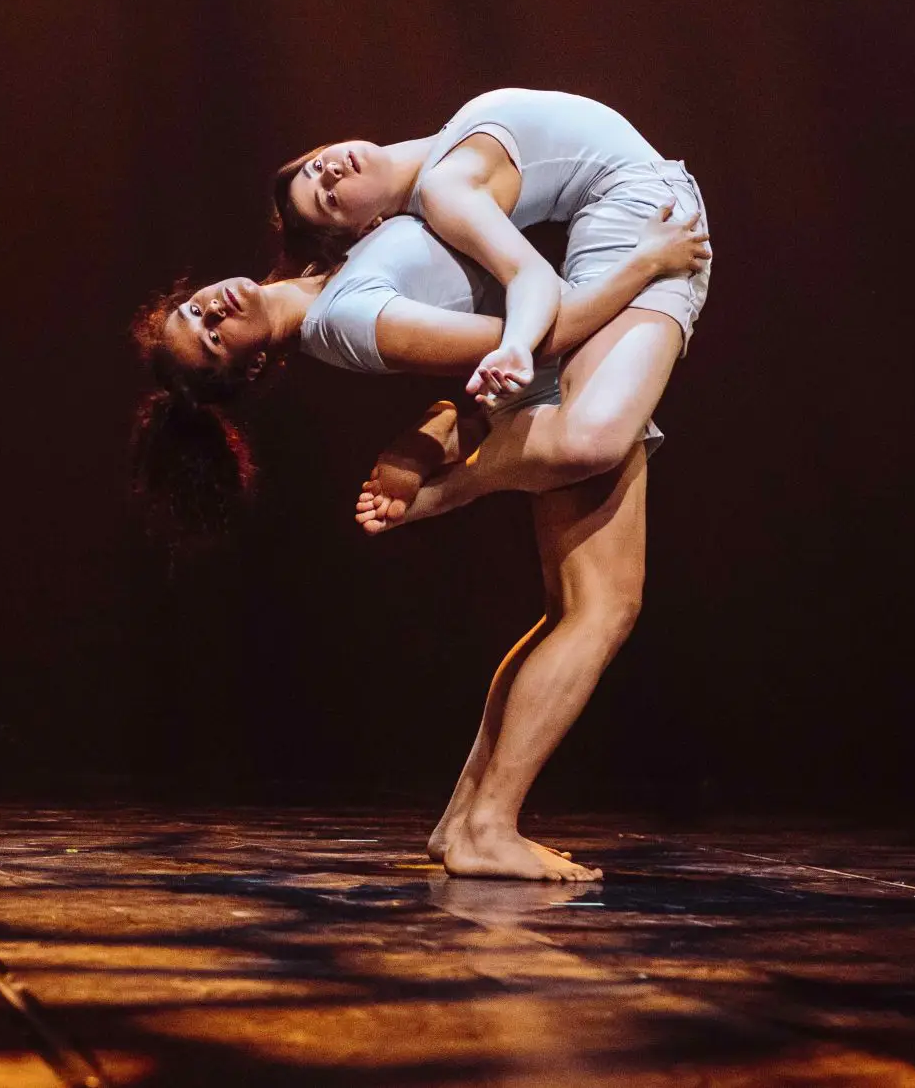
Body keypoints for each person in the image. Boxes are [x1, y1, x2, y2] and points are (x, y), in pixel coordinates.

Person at [130, 202, 707, 879]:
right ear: (252, 368)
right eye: (212, 338)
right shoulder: (341, 319)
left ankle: (467, 818)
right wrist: (645, 263)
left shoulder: (322, 267)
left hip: (552, 376)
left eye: (193, 311)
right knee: (602, 609)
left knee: (575, 610)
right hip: (558, 378)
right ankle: (488, 825)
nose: (211, 312)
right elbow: (526, 340)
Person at [271, 88, 711, 529]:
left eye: (316, 167)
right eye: (329, 198)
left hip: (640, 202)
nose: (330, 172)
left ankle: (458, 468)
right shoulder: (441, 191)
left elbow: (530, 276)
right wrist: (516, 345)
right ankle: (470, 433)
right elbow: (529, 275)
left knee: (589, 442)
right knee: (589, 455)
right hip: (638, 211)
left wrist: (643, 264)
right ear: (368, 228)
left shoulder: (439, 179)